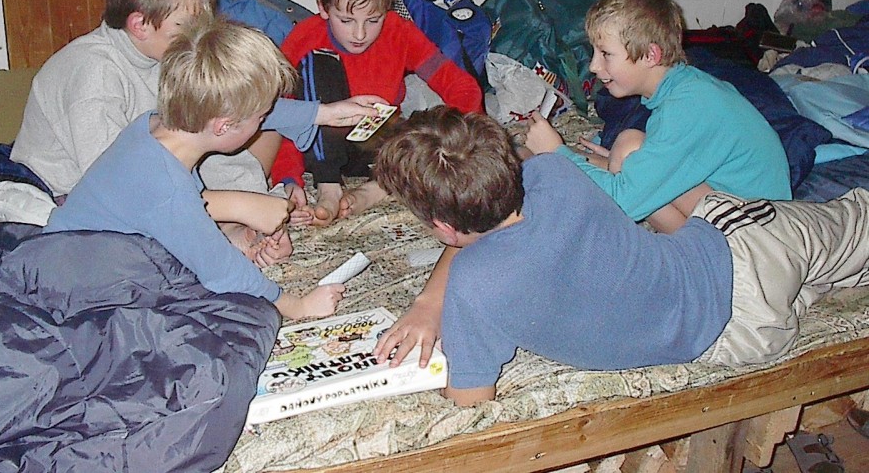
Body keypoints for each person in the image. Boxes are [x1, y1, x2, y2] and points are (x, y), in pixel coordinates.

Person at [371, 107, 869, 406]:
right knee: (853, 221)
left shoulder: (474, 287)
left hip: (739, 340)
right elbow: (514, 181)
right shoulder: (555, 175)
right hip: (746, 255)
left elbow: (470, 403)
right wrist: (432, 300)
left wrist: (432, 304)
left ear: (443, 227)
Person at [45, 17, 382, 320]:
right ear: (224, 126)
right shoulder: (167, 187)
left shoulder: (156, 128)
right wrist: (300, 306)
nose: (265, 121)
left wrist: (325, 113)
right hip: (79, 290)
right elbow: (223, 272)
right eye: (260, 117)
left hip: (73, 258)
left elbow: (175, 219)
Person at [9, 0, 294, 261]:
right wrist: (237, 205)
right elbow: (119, 189)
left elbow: (209, 136)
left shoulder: (167, 55)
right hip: (71, 194)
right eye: (188, 26)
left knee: (249, 126)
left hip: (152, 181)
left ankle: (225, 230)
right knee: (143, 260)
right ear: (140, 25)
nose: (201, 35)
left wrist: (247, 217)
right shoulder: (94, 73)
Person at [524, 0, 791, 232]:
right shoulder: (685, 88)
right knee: (629, 150)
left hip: (760, 239)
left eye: (605, 54)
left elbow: (623, 201)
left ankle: (685, 253)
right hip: (750, 218)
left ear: (651, 55)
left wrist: (557, 153)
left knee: (629, 152)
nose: (594, 66)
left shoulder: (689, 106)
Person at [271, 0, 483, 225]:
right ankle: (329, 186)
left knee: (428, 137)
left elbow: (458, 85)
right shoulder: (304, 37)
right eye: (346, 20)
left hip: (378, 144)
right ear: (323, 7)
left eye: (373, 20)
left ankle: (378, 188)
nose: (359, 34)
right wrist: (288, 179)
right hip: (319, 143)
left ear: (388, 8)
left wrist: (463, 137)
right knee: (317, 62)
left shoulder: (400, 32)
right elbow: (283, 115)